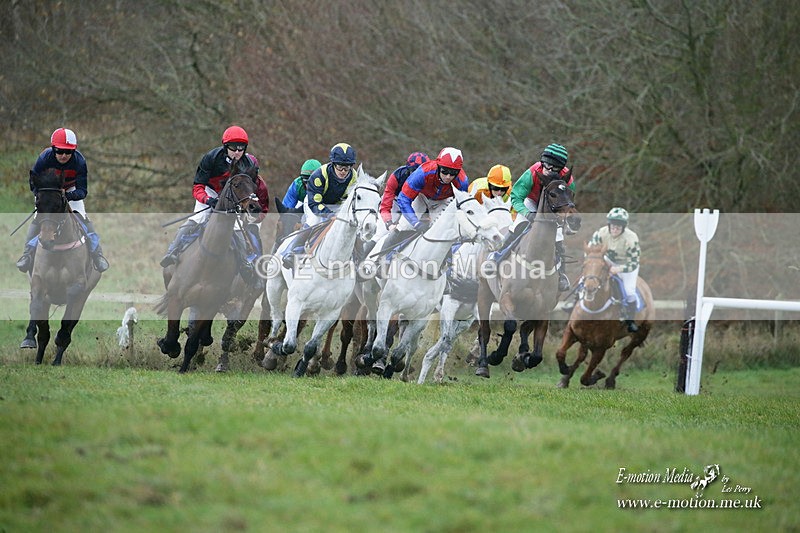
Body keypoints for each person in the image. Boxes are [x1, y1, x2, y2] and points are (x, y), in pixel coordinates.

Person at [159, 125, 270, 274]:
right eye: (233, 148)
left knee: (237, 227)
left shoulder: (248, 164)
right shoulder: (211, 158)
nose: (237, 152)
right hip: (210, 191)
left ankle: (244, 263)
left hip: (232, 196)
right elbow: (198, 186)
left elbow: (250, 188)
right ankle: (173, 251)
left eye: (241, 148)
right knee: (198, 218)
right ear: (225, 147)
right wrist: (207, 199)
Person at [16, 128, 109, 273]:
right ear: (53, 149)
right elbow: (33, 182)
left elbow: (82, 191)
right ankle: (27, 255)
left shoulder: (79, 161)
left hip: (70, 191)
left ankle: (97, 255)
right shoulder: (44, 158)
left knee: (83, 219)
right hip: (47, 192)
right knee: (38, 219)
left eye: (68, 152)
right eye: (59, 151)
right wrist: (43, 196)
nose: (64, 155)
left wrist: (67, 196)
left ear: (74, 151)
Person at [489, 143, 575, 291]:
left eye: (552, 167)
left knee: (559, 237)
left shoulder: (568, 181)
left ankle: (562, 274)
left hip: (552, 207)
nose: (547, 169)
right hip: (531, 202)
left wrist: (565, 219)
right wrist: (526, 212)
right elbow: (516, 196)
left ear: (561, 169)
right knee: (518, 225)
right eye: (545, 165)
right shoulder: (533, 172)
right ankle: (497, 257)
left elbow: (567, 203)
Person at [378, 147, 469, 255]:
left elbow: (462, 207)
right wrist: (415, 223)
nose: (448, 177)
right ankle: (380, 259)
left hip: (442, 200)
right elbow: (404, 199)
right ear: (438, 166)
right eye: (444, 171)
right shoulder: (422, 173)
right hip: (421, 197)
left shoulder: (462, 182)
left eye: (453, 173)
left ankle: (447, 263)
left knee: (443, 231)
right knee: (403, 227)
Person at [281, 142, 358, 268]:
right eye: (340, 166)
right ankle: (292, 251)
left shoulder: (354, 176)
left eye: (347, 167)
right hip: (316, 203)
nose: (343, 171)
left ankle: (360, 258)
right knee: (313, 221)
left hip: (339, 205)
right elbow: (314, 202)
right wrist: (328, 214)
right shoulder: (319, 175)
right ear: (333, 164)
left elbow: (351, 201)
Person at [588, 207, 641, 332]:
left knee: (629, 291)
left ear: (623, 227)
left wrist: (619, 269)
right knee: (588, 277)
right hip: (608, 260)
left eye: (618, 227)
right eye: (612, 226)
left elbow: (634, 262)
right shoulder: (601, 233)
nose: (615, 229)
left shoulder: (631, 238)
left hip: (626, 265)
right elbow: (590, 250)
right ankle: (574, 303)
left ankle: (630, 320)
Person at [378, 151, 430, 234]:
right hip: (395, 204)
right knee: (380, 234)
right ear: (408, 169)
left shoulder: (430, 178)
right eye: (414, 172)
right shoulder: (396, 177)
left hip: (415, 204)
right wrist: (389, 223)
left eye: (421, 174)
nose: (417, 177)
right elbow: (385, 206)